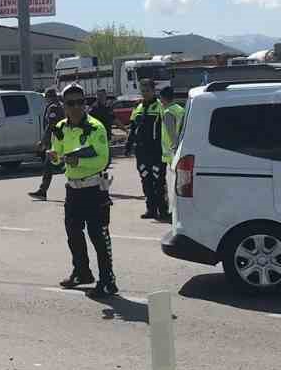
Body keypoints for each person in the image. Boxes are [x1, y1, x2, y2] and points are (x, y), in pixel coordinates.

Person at [49, 84, 117, 297]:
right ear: (64, 106)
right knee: (73, 233)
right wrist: (55, 157)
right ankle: (82, 272)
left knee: (99, 235)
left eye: (81, 102)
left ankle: (108, 280)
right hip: (73, 190)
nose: (77, 107)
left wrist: (77, 161)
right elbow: (59, 158)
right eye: (71, 103)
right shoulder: (60, 128)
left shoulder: (96, 128)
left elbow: (102, 159)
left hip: (95, 188)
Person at [125, 77, 165, 220]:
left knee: (158, 180)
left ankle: (163, 209)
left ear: (154, 90)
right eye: (143, 91)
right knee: (146, 180)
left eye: (147, 90)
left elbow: (166, 128)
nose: (145, 93)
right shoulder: (138, 107)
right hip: (141, 151)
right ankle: (151, 209)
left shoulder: (160, 106)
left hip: (156, 151)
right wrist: (128, 145)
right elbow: (133, 128)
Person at [30, 87, 66, 199]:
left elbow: (51, 126)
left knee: (51, 165)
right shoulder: (58, 106)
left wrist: (43, 141)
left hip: (57, 142)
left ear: (48, 97)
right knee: (51, 166)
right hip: (60, 141)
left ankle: (42, 191)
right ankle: (42, 191)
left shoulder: (54, 108)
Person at [158, 82, 187, 218]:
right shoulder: (179, 109)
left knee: (174, 185)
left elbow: (171, 134)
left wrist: (174, 150)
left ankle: (175, 211)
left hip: (172, 154)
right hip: (180, 149)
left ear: (163, 98)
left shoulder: (168, 112)